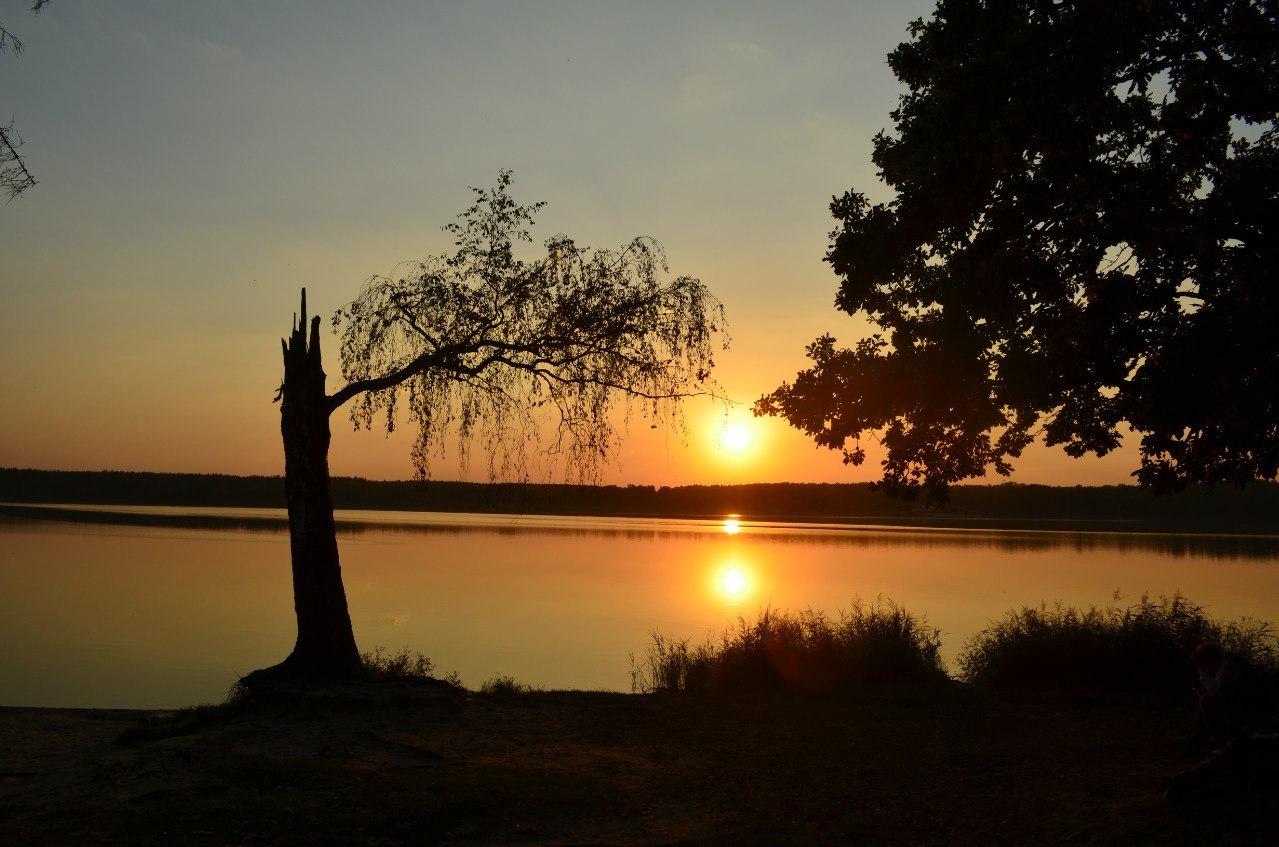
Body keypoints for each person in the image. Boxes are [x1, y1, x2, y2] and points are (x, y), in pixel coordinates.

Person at [1188, 643, 1246, 748]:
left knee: (1207, 700)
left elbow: (1216, 689)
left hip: (1248, 703)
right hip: (1240, 698)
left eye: (1205, 665)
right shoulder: (1226, 664)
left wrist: (1199, 668)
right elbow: (1220, 687)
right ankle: (1198, 736)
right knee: (1207, 696)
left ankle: (1218, 741)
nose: (1207, 669)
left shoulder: (1228, 666)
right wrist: (1208, 689)